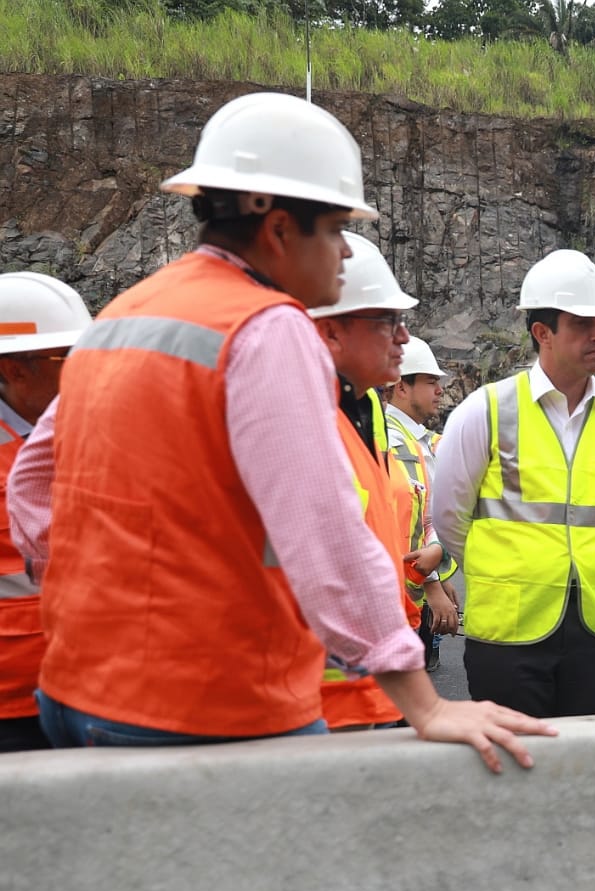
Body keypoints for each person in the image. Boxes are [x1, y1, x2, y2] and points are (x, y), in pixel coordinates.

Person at [7, 91, 553, 771]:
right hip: (207, 706)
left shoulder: (125, 313)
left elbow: (31, 482)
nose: (346, 256)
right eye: (336, 231)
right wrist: (426, 702)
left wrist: (101, 596)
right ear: (279, 231)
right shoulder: (267, 328)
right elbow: (326, 528)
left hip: (77, 686)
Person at [431, 249, 595, 718]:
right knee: (516, 770)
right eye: (582, 325)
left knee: (591, 771)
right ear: (542, 333)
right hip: (509, 634)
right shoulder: (487, 410)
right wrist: (510, 571)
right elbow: (449, 518)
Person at [308, 232, 438, 728]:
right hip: (319, 701)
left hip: (374, 678)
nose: (403, 336)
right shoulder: (299, 414)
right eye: (387, 321)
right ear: (331, 332)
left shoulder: (369, 413)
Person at [0, 273, 90, 753]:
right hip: (11, 703)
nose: (85, 370)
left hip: (83, 685)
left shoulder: (91, 424)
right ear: (14, 370)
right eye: (66, 359)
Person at [385, 335, 459, 670]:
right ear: (401, 386)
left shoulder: (414, 441)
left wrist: (438, 578)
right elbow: (405, 522)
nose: (440, 390)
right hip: (393, 604)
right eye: (431, 382)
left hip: (406, 600)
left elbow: (424, 518)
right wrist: (433, 586)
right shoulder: (391, 442)